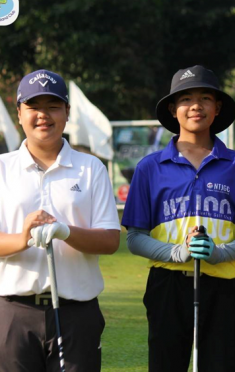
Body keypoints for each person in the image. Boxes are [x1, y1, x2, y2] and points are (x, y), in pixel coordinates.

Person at [121, 65, 235, 372]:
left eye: (205, 98)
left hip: (224, 286)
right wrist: (177, 252)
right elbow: (134, 238)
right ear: (173, 109)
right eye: (186, 99)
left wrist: (221, 253)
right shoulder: (149, 167)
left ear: (218, 108)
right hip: (167, 286)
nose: (196, 106)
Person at [0, 69, 121, 372]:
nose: (43, 115)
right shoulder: (2, 168)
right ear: (19, 113)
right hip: (13, 313)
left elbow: (110, 240)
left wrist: (66, 232)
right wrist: (23, 238)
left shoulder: (91, 168)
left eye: (53, 106)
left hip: (76, 313)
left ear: (67, 112)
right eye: (33, 106)